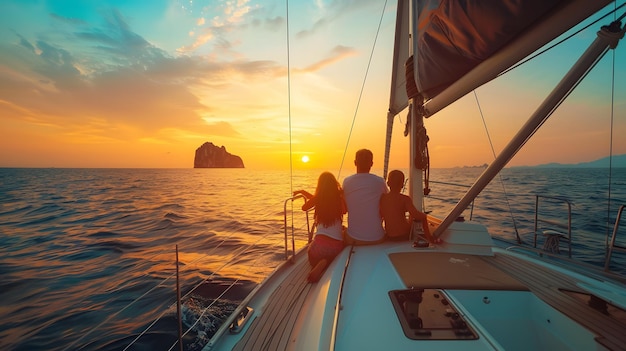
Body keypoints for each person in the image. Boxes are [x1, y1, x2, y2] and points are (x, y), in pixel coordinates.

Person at [293, 172, 346, 282]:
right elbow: (345, 210)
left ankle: (321, 262)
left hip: (318, 248)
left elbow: (304, 207)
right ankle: (327, 261)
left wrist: (307, 194)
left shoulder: (318, 199)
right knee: (342, 241)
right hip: (335, 247)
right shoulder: (339, 198)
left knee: (311, 256)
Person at [342, 149, 388, 245]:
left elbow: (344, 207)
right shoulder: (379, 181)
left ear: (355, 163)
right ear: (371, 163)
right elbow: (387, 201)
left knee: (342, 231)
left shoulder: (347, 182)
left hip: (354, 239)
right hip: (378, 238)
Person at [380, 170, 432, 242]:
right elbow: (416, 215)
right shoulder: (405, 199)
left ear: (388, 183)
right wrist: (424, 215)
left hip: (389, 236)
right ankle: (429, 238)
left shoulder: (383, 198)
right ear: (402, 185)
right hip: (403, 235)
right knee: (421, 217)